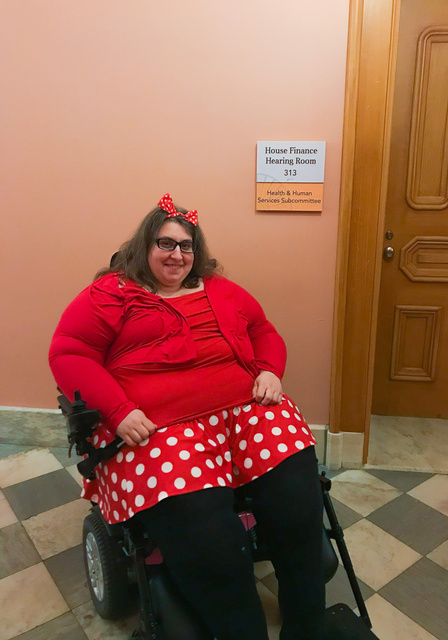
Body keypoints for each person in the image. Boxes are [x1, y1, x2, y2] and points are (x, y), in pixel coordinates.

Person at [49, 193, 326, 640]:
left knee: (298, 499)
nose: (177, 254)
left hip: (244, 411)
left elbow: (262, 330)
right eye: (166, 243)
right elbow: (69, 352)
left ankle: (308, 622)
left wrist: (270, 370)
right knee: (210, 540)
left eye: (186, 245)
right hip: (161, 428)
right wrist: (119, 412)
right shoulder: (111, 295)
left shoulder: (219, 287)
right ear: (145, 246)